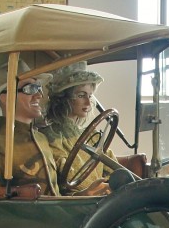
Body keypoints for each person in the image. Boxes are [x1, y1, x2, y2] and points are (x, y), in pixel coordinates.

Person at [0, 60, 59, 195]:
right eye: (30, 89)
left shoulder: (41, 138)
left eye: (38, 88)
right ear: (6, 98)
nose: (39, 95)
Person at [42, 61, 116, 195]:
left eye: (90, 96)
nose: (88, 103)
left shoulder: (92, 136)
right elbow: (61, 186)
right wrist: (87, 193)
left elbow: (114, 169)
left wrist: (108, 185)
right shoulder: (50, 137)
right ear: (63, 98)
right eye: (81, 95)